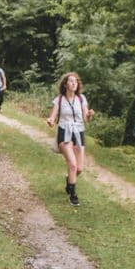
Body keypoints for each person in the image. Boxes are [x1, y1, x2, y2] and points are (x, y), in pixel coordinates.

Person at [46, 72, 95, 206]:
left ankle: (69, 181)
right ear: (65, 84)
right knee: (72, 164)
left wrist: (90, 114)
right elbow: (53, 117)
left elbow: (86, 118)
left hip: (79, 132)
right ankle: (73, 195)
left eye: (76, 81)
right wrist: (50, 121)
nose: (74, 83)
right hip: (64, 132)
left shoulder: (81, 99)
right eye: (71, 81)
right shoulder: (59, 100)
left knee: (79, 169)